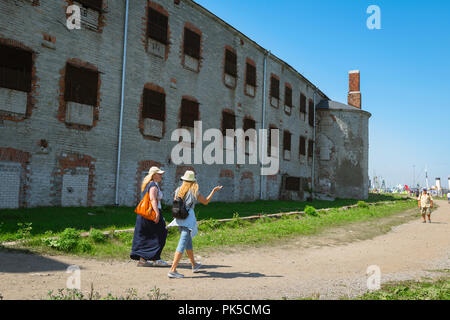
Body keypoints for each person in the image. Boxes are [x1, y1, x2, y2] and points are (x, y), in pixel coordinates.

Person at [167, 170, 223, 279]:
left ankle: (194, 265)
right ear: (193, 181)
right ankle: (173, 270)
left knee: (188, 242)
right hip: (188, 218)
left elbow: (175, 203)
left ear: (184, 180)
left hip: (179, 218)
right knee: (183, 243)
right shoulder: (194, 191)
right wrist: (213, 191)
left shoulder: (178, 190)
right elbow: (205, 201)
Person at [130, 166, 169, 267]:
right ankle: (156, 259)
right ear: (154, 175)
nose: (161, 176)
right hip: (152, 214)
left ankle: (143, 260)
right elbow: (152, 199)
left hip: (145, 215)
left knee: (148, 236)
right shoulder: (153, 186)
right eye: (159, 174)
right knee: (161, 234)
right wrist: (157, 213)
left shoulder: (150, 184)